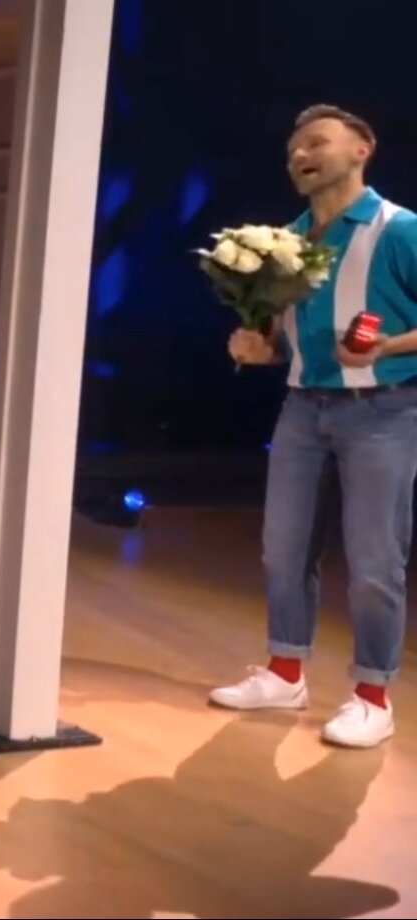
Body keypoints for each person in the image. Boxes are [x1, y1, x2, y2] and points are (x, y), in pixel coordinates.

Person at [212, 104, 417, 749]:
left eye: (317, 142)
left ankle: (373, 698)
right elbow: (282, 340)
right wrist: (258, 348)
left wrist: (386, 347)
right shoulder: (286, 242)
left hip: (384, 411)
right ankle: (284, 673)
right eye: (293, 148)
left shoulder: (398, 230)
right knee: (284, 549)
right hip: (303, 409)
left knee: (375, 561)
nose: (300, 154)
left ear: (362, 149)